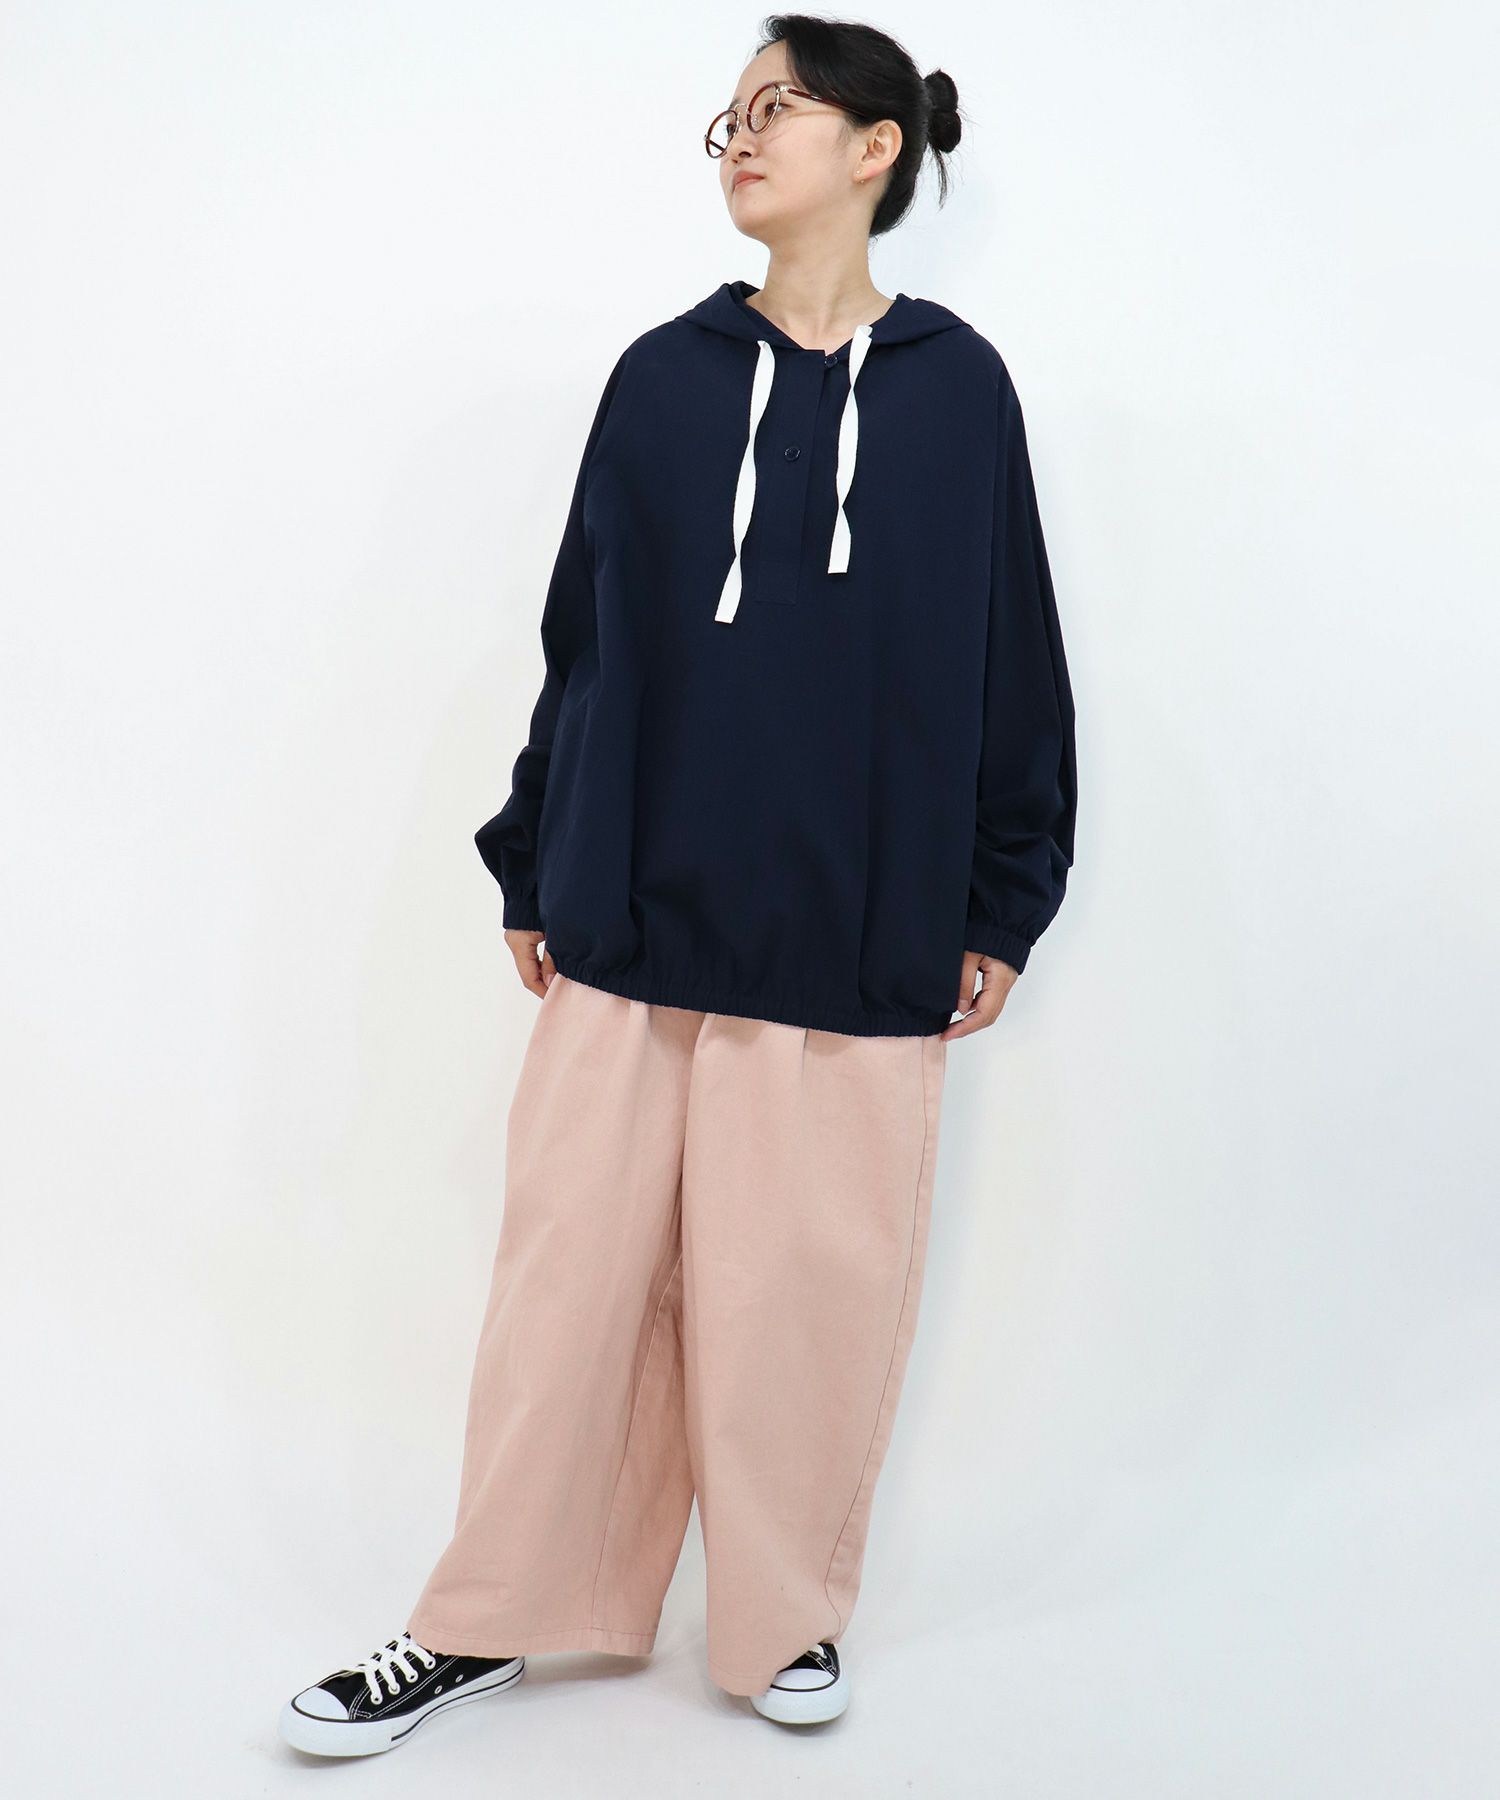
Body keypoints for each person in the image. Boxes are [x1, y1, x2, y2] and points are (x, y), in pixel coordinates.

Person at [280, 13, 1077, 1756]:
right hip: (631, 920)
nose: (742, 139)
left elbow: (1011, 660)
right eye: (727, 118)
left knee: (800, 1307)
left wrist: (1003, 896)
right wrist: (531, 853)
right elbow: (586, 643)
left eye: (775, 108)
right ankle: (483, 1619)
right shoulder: (662, 378)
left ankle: (784, 1618)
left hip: (853, 939)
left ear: (876, 147)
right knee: (565, 1296)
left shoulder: (960, 396)